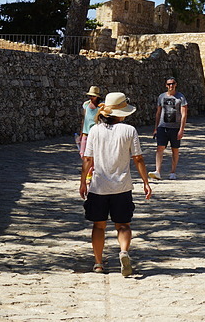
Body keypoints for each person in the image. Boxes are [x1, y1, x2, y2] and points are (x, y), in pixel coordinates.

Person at [80, 92, 152, 275]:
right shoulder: (129, 131)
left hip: (98, 186)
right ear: (121, 113)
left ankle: (98, 263)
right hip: (122, 186)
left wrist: (82, 183)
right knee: (124, 225)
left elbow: (87, 159)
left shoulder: (95, 130)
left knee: (98, 226)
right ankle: (123, 252)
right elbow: (138, 158)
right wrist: (146, 182)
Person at [150, 77, 188, 180]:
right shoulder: (161, 97)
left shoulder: (180, 98)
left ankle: (173, 172)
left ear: (176, 84)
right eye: (169, 84)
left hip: (175, 128)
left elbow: (184, 114)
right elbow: (158, 113)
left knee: (175, 150)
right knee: (160, 148)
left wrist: (181, 129)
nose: (171, 86)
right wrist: (156, 128)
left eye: (173, 83)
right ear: (166, 85)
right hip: (163, 126)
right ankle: (157, 171)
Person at [79, 86, 102, 157]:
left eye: (93, 96)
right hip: (86, 132)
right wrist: (81, 132)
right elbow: (84, 118)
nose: (91, 97)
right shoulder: (86, 105)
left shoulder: (100, 107)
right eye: (90, 96)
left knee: (94, 154)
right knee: (83, 153)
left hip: (96, 133)